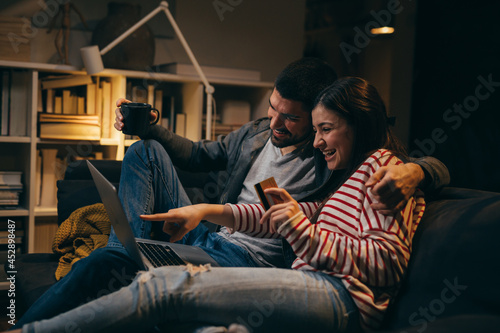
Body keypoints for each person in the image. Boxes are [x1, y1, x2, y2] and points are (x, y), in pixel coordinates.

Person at [13, 58, 448, 328]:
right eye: (273, 110)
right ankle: (127, 249)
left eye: (295, 121)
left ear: (324, 115)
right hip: (211, 232)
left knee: (120, 266)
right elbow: (199, 156)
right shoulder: (261, 133)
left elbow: (409, 163)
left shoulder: (334, 161)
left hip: (248, 258)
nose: (277, 124)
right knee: (146, 153)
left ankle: (119, 261)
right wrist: (152, 131)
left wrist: (418, 170)